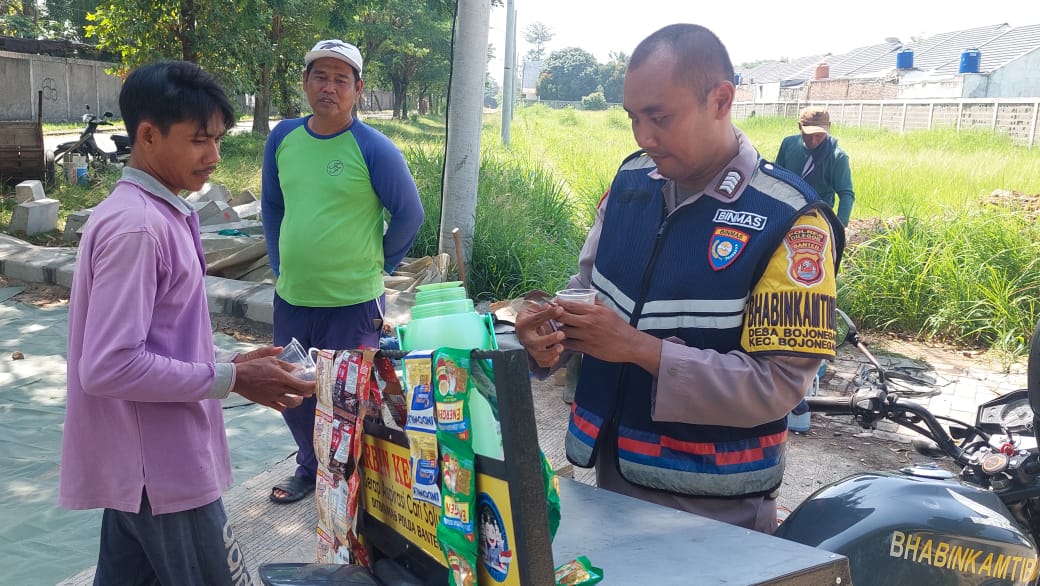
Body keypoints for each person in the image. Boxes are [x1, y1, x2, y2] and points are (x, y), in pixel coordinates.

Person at [515, 24, 845, 533]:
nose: (644, 137)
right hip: (611, 481)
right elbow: (587, 290)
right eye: (633, 118)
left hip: (713, 510)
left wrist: (638, 349)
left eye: (660, 117)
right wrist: (551, 333)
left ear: (721, 100)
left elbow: (778, 384)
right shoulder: (630, 184)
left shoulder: (791, 221)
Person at [59, 61, 316, 585]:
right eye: (199, 140)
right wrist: (232, 378)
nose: (214, 156)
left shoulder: (158, 213)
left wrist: (230, 363)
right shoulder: (138, 228)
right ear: (148, 136)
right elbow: (109, 365)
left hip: (143, 470)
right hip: (165, 472)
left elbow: (157, 341)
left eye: (218, 139)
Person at [262, 39, 424, 503]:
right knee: (293, 389)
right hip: (293, 296)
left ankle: (351, 480)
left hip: (353, 302)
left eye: (340, 79)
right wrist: (278, 263)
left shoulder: (374, 148)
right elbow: (273, 206)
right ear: (305, 82)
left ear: (358, 89)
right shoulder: (283, 138)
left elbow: (409, 214)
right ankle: (310, 466)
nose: (329, 88)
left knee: (347, 397)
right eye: (320, 77)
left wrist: (379, 264)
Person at [775, 107, 855, 226]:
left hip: (818, 216)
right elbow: (777, 178)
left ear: (829, 127)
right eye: (808, 135)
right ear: (799, 126)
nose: (813, 140)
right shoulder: (788, 144)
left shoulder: (837, 157)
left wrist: (839, 226)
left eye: (819, 135)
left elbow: (846, 194)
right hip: (787, 210)